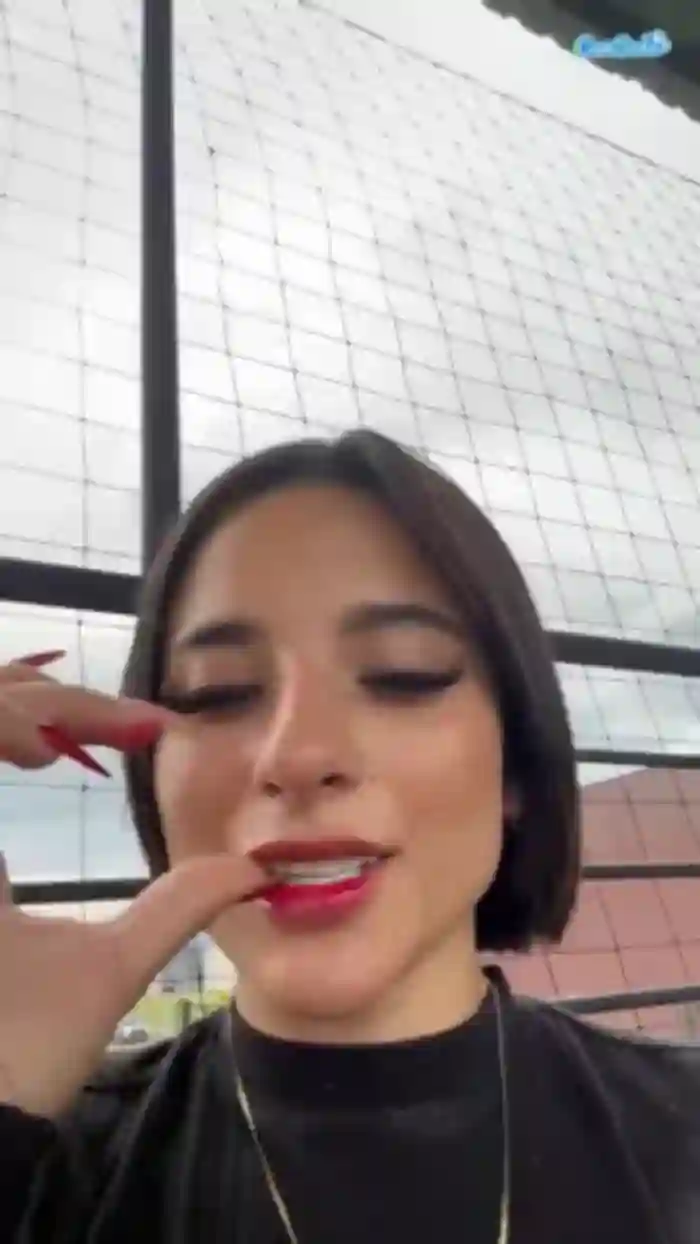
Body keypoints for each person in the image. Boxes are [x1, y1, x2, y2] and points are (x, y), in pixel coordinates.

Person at [0, 429, 698, 1244]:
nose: (298, 755)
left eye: (405, 674)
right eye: (218, 691)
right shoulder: (41, 1169)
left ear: (516, 760)